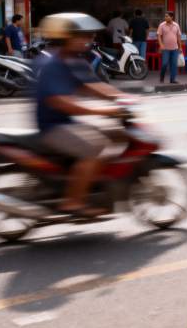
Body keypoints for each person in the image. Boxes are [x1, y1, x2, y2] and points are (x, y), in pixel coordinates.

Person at [35, 13, 126, 216]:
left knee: (114, 135)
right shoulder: (52, 63)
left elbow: (94, 86)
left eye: (89, 36)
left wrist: (123, 98)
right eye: (82, 36)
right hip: (53, 127)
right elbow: (60, 102)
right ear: (67, 38)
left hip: (67, 123)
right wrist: (101, 110)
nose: (88, 41)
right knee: (96, 147)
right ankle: (72, 202)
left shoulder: (74, 60)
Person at [157, 11, 182, 84]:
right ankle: (162, 76)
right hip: (165, 49)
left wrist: (180, 47)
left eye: (167, 16)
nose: (166, 18)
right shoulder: (162, 25)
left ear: (172, 17)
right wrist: (161, 45)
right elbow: (159, 36)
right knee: (164, 64)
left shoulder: (176, 25)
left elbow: (178, 36)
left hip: (175, 48)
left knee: (174, 64)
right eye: (165, 16)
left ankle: (172, 79)